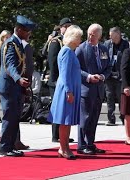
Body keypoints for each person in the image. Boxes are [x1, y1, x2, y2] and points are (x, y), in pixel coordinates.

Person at [0, 15, 36, 157]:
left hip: (16, 87)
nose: (29, 34)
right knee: (9, 117)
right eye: (27, 31)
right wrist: (19, 79)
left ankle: (11, 145)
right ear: (19, 30)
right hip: (9, 87)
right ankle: (5, 148)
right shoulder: (10, 44)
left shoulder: (19, 43)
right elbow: (9, 65)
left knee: (14, 117)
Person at [75, 23, 112, 155]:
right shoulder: (80, 49)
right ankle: (81, 145)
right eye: (89, 34)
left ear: (100, 36)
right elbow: (76, 68)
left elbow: (108, 67)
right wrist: (89, 76)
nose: (91, 37)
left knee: (94, 118)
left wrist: (102, 76)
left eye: (94, 35)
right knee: (85, 118)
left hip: (99, 90)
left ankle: (90, 143)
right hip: (86, 89)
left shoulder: (103, 49)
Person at [48, 25, 83, 160]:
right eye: (79, 37)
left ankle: (65, 147)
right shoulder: (67, 52)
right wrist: (69, 91)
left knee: (67, 121)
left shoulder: (69, 51)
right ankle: (64, 148)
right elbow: (64, 74)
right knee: (65, 120)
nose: (80, 40)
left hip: (69, 89)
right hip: (66, 90)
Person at [47, 17, 74, 143]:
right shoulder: (56, 42)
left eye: (70, 26)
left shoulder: (69, 42)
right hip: (56, 80)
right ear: (61, 27)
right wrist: (57, 79)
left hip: (65, 80)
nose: (68, 28)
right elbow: (53, 62)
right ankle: (55, 135)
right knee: (58, 107)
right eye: (66, 26)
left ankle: (63, 134)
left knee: (65, 108)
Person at [103, 27, 129, 126]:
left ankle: (123, 118)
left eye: (111, 35)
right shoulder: (107, 44)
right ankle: (111, 119)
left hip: (120, 76)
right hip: (109, 75)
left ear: (117, 34)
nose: (110, 37)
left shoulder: (125, 44)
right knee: (109, 97)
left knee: (121, 98)